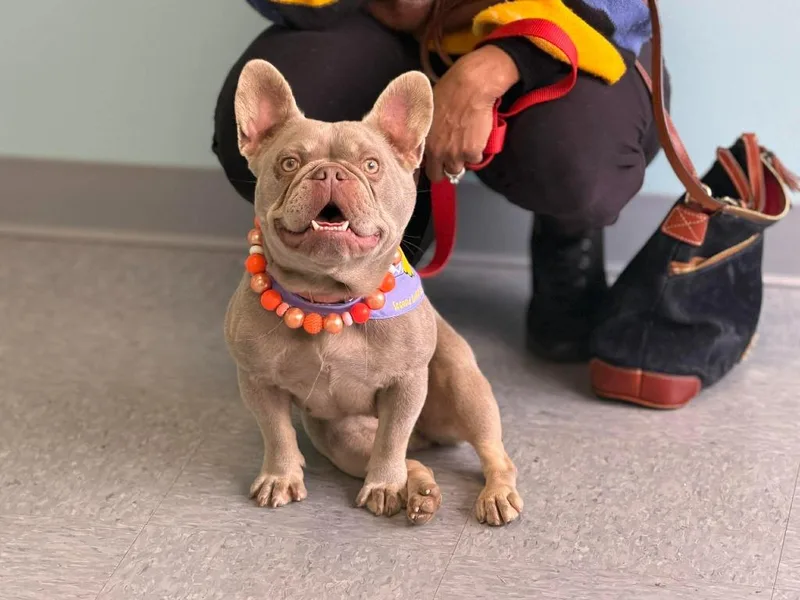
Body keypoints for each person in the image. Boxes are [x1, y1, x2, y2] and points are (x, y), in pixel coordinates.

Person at [212, 0, 670, 363]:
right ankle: (367, 270)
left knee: (579, 164)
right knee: (275, 144)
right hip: (371, 17)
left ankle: (566, 238)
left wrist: (499, 63)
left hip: (547, 17)